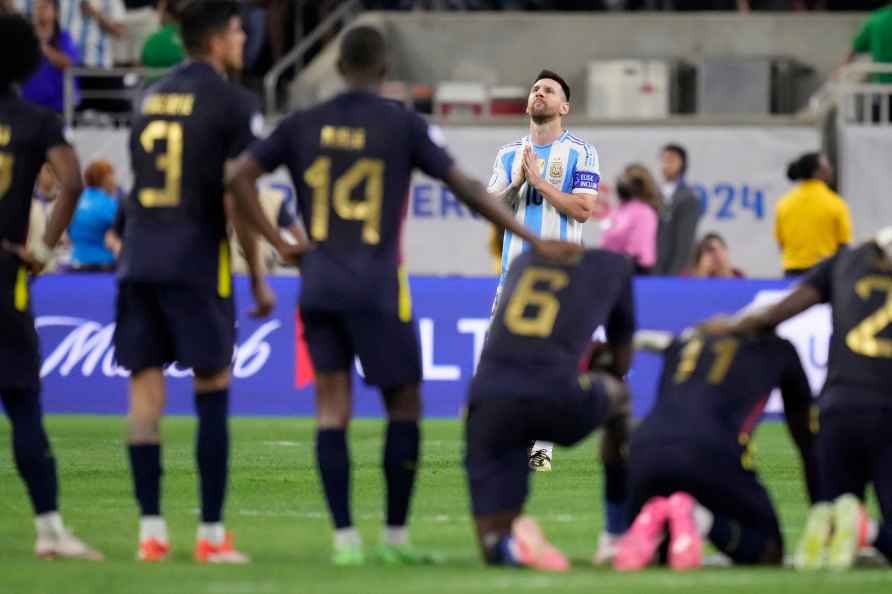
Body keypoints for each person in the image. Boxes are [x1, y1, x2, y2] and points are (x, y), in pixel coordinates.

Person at [227, 25, 577, 566]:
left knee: (331, 408)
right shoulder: (402, 124)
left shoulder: (302, 123)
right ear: (385, 70)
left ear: (339, 67)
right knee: (404, 406)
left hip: (318, 281)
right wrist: (532, 237)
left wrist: (279, 246)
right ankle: (394, 538)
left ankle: (345, 541)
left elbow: (240, 176)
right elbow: (464, 188)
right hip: (378, 284)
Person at [114, 0, 295, 564]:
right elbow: (239, 192)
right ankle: (212, 535)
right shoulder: (230, 101)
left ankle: (150, 532)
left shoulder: (149, 97)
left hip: (139, 257)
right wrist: (265, 266)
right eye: (239, 31)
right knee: (211, 388)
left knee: (144, 397)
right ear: (216, 40)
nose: (244, 39)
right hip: (195, 261)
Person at [702, 228, 892, 571]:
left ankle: (840, 524)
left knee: (836, 518)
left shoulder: (845, 261)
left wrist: (732, 327)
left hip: (838, 408)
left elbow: (780, 311)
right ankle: (870, 531)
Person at [0, 12, 100, 560]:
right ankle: (49, 529)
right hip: (7, 278)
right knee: (23, 407)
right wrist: (42, 250)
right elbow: (73, 180)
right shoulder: (36, 121)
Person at [465, 246, 633, 571]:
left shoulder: (521, 263)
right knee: (606, 397)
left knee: (521, 428)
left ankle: (508, 543)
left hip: (490, 394)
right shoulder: (607, 271)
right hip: (552, 388)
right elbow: (619, 361)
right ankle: (616, 536)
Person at [614, 329, 818, 571]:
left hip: (643, 449)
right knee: (769, 550)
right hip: (709, 450)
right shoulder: (780, 349)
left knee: (664, 556)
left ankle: (655, 516)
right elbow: (807, 439)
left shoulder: (689, 343)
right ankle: (700, 519)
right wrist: (823, 505)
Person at [487, 68, 600, 472]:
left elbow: (584, 210)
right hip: (513, 275)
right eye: (535, 88)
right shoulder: (506, 155)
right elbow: (490, 209)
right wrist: (518, 181)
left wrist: (542, 183)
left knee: (551, 363)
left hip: (560, 275)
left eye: (549, 90)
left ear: (563, 106)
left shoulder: (581, 153)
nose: (539, 93)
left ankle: (540, 449)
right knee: (502, 362)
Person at [774, 152, 851, 277]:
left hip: (792, 271)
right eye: (827, 167)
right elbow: (843, 245)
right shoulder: (836, 203)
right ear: (818, 173)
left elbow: (781, 242)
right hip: (825, 273)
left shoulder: (784, 203)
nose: (831, 170)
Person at [21, 0, 80, 114]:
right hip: (27, 107)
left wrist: (44, 47)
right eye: (37, 7)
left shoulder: (63, 38)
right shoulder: (25, 37)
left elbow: (68, 62)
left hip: (56, 109)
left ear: (56, 12)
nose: (40, 11)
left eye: (45, 7)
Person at [600, 165, 659, 274]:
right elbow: (607, 239)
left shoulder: (645, 212)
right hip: (614, 266)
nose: (622, 183)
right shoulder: (618, 210)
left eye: (627, 180)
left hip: (636, 269)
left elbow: (637, 249)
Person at [655, 143, 701, 277]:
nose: (666, 164)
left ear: (682, 164)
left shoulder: (688, 198)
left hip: (671, 271)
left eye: (671, 160)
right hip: (652, 269)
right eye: (663, 160)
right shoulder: (654, 194)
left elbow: (684, 243)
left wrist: (673, 275)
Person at [68, 159, 118, 271]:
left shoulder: (75, 202)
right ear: (105, 179)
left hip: (75, 262)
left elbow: (68, 233)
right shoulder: (109, 204)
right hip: (103, 266)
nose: (115, 181)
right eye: (112, 176)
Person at [140, 0, 185, 71]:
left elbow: (145, 60)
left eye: (160, 10)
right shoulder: (194, 35)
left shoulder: (155, 40)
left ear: (166, 13)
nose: (158, 14)